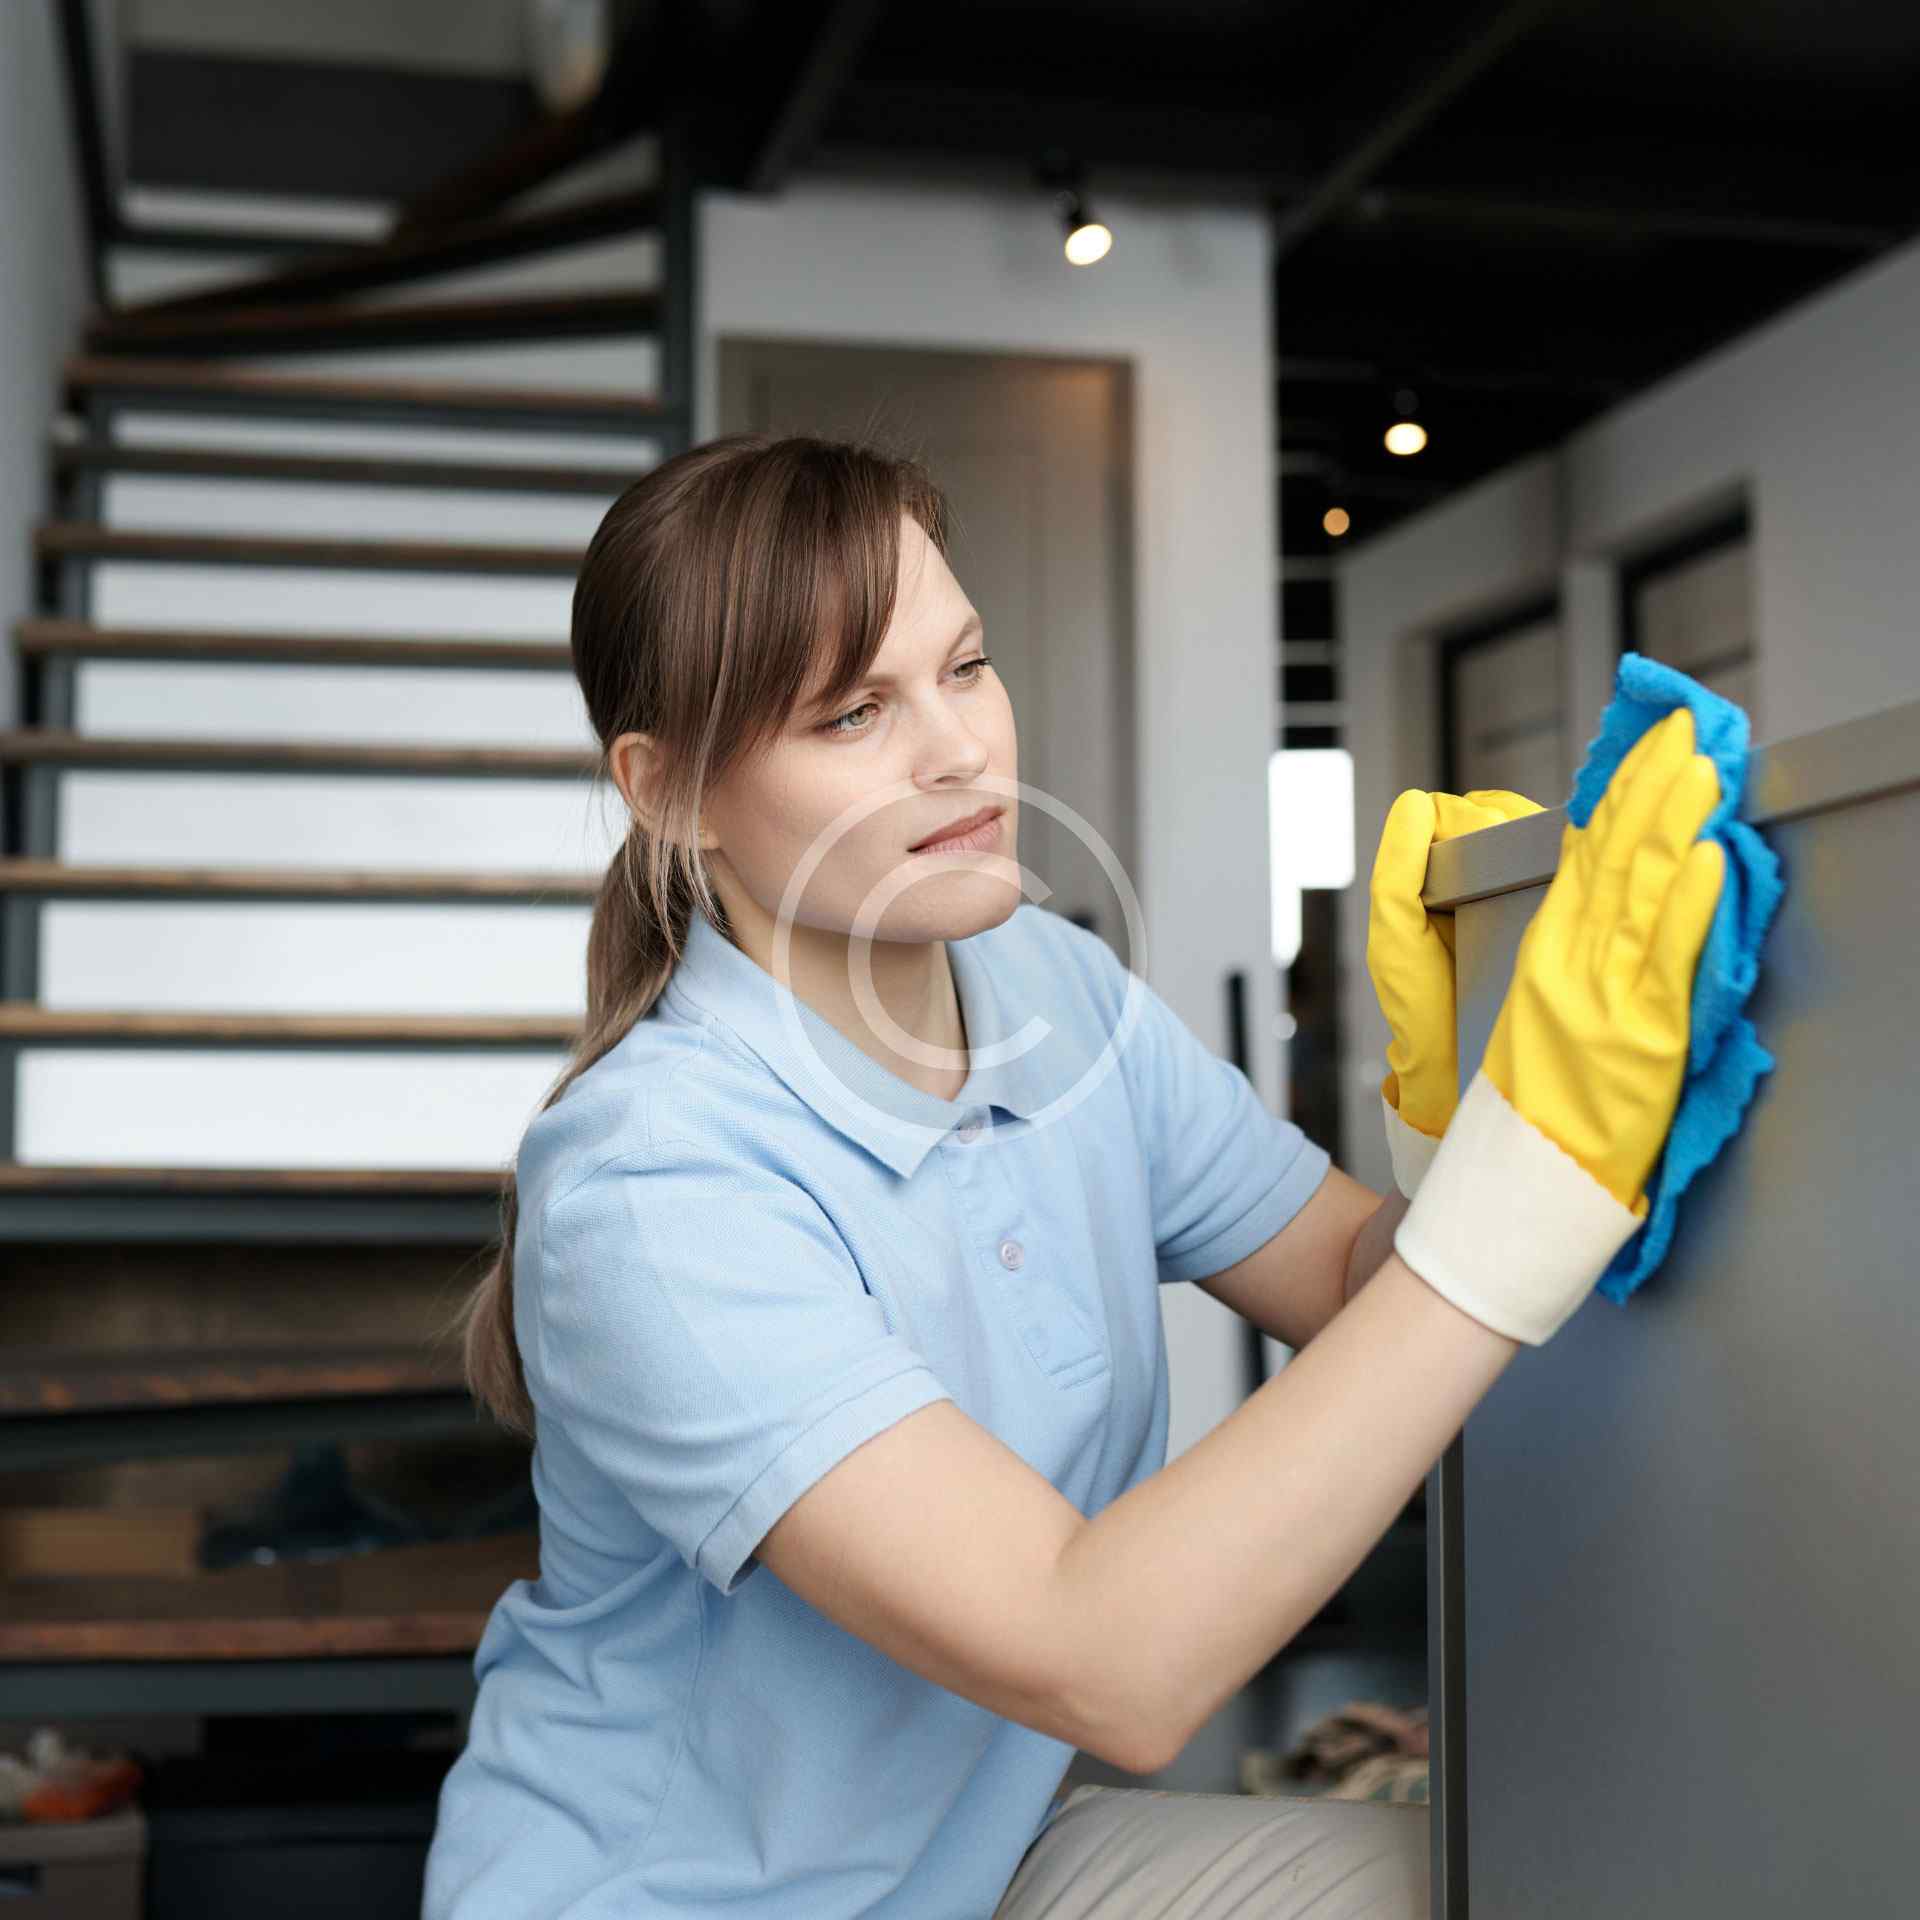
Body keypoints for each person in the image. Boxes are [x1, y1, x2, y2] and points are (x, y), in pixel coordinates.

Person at [423, 431, 1723, 1918]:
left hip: (975, 1879)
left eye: (964, 667)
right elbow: (1108, 1661)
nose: (959, 748)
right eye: (852, 712)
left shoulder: (1053, 988)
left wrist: (1465, 1114)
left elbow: (1350, 1281)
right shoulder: (654, 1188)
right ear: (671, 796)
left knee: (1540, 1875)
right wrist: (1517, 1196)